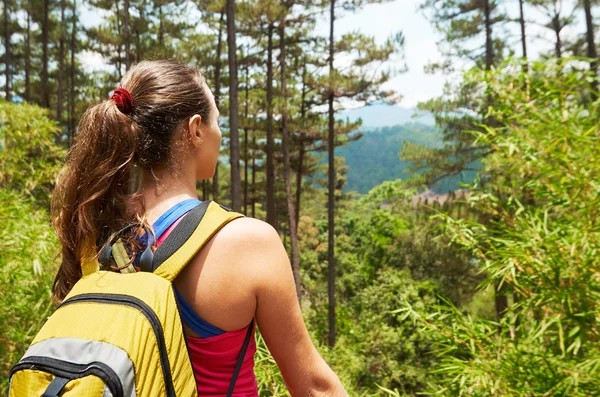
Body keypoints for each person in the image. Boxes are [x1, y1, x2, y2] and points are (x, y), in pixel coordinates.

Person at [50, 59, 348, 396]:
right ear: (195, 130)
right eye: (216, 121)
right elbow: (314, 386)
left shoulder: (97, 225)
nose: (219, 134)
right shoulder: (247, 241)